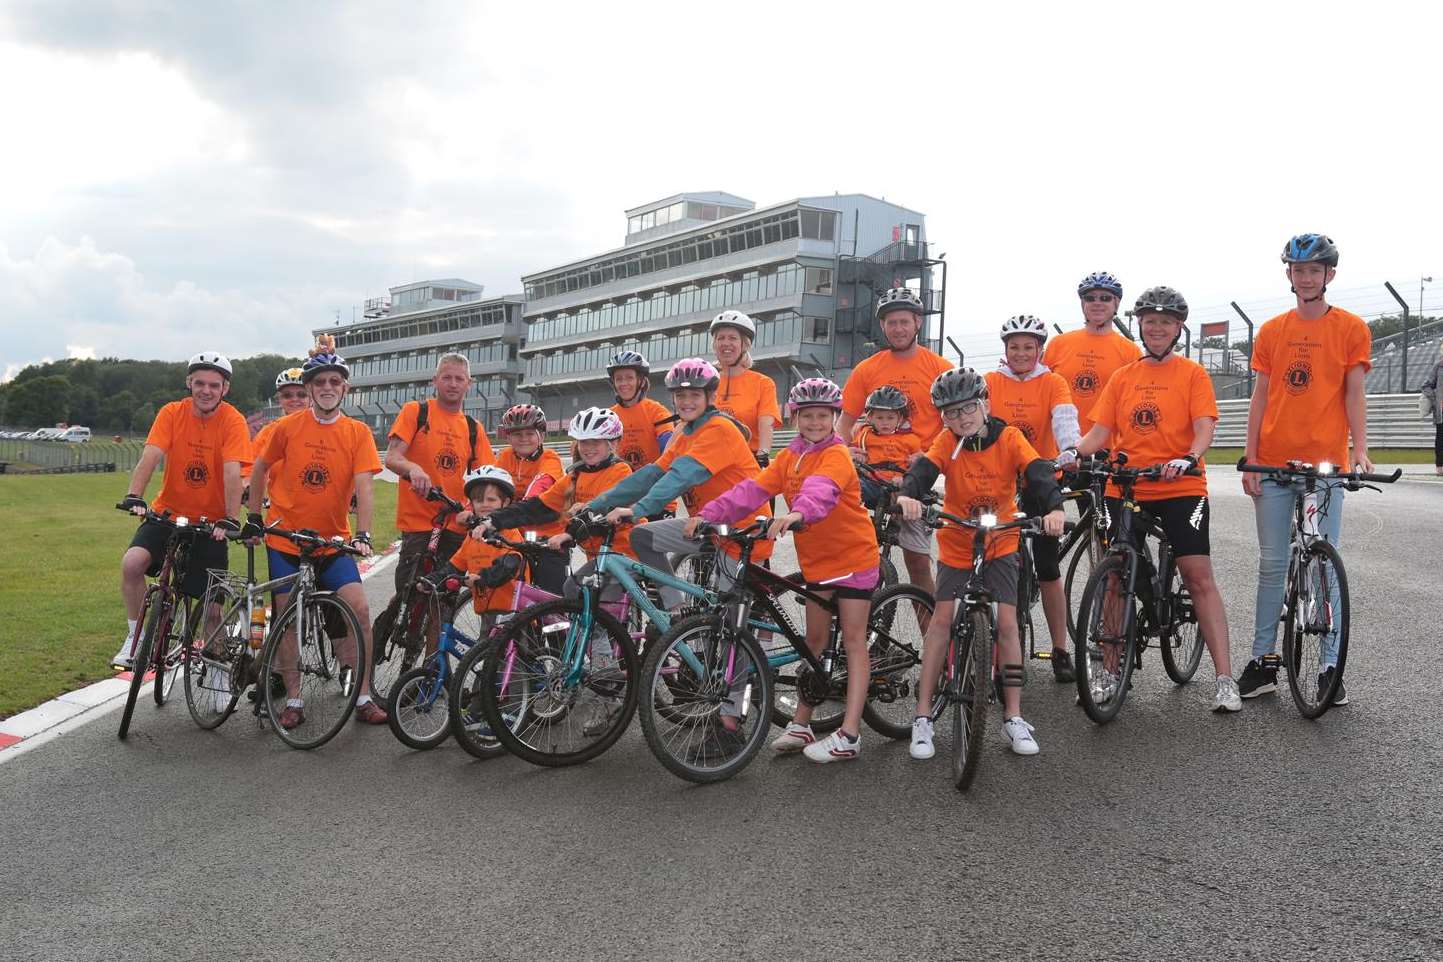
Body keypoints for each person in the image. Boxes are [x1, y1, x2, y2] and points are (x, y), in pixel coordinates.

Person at [1067, 286, 1241, 713]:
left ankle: (1224, 678)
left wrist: (1188, 457)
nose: (1157, 328)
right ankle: (1108, 670)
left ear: (1178, 328)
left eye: (1166, 321)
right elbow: (1099, 435)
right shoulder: (1123, 376)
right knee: (1113, 577)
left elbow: (1204, 427)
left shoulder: (1192, 375)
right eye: (1150, 321)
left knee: (1197, 575)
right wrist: (1072, 454)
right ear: (1140, 326)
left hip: (1180, 486)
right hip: (1126, 485)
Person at [692, 378, 877, 764]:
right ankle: (802, 723)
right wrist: (707, 515)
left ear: (834, 418)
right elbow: (752, 490)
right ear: (795, 418)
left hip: (852, 558)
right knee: (814, 641)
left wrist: (797, 513)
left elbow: (821, 491)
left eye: (823, 416)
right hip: (818, 562)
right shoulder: (789, 457)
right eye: (807, 416)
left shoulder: (836, 455)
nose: (815, 422)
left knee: (855, 642)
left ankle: (850, 734)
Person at [896, 369, 1065, 759]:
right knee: (940, 621)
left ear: (985, 403)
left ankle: (1014, 717)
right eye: (951, 413)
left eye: (968, 408)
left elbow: (1037, 471)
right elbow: (924, 471)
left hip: (1001, 540)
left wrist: (1054, 507)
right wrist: (909, 496)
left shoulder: (1008, 437)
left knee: (1007, 624)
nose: (961, 418)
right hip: (957, 540)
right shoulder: (947, 441)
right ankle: (922, 718)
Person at [1238, 234, 1373, 704]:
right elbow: (1260, 396)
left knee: (1323, 563)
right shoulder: (1272, 330)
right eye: (1299, 270)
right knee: (1273, 564)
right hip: (1273, 461)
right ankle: (1263, 661)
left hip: (1324, 466)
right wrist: (1250, 456)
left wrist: (1360, 450)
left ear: (1329, 275)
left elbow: (1354, 393)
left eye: (1316, 270)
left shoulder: (1352, 328)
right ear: (1290, 276)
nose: (1307, 277)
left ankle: (1329, 668)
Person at [248, 339, 387, 726]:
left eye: (334, 381)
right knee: (286, 616)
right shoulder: (287, 427)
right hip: (285, 540)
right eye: (320, 381)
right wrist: (255, 517)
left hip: (331, 542)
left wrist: (362, 533)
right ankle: (293, 700)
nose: (327, 387)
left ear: (345, 388)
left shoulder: (357, 432)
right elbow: (259, 469)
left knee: (358, 608)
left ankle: (363, 696)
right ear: (309, 389)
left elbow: (365, 485)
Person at [583, 358, 772, 610]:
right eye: (680, 395)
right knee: (642, 537)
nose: (686, 401)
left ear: (711, 396)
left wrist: (636, 510)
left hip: (741, 530)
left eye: (695, 394)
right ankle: (676, 611)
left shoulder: (719, 429)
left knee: (727, 627)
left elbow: (680, 476)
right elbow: (651, 474)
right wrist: (596, 505)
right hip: (707, 526)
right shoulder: (685, 432)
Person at [114, 351, 250, 668]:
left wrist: (230, 518)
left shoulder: (233, 420)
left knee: (212, 607)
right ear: (189, 383)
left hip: (211, 523)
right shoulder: (172, 413)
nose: (206, 390)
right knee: (132, 565)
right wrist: (135, 494)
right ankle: (134, 639)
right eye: (199, 383)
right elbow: (151, 455)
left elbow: (233, 471)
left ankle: (216, 668)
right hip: (168, 512)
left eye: (214, 385)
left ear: (225, 388)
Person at [837, 288, 954, 598]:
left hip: (920, 475)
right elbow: (845, 422)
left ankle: (931, 638)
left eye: (904, 321)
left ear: (917, 322)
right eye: (891, 322)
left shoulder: (939, 367)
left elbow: (953, 424)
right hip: (874, 475)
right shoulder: (868, 369)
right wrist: (846, 449)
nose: (898, 329)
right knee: (858, 558)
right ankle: (858, 636)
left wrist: (931, 457)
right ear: (883, 326)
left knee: (917, 564)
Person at [984, 315, 1081, 682]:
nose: (1021, 354)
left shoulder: (1053, 381)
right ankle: (993, 647)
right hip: (1000, 482)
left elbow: (1065, 420)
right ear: (1005, 350)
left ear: (1039, 349)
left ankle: (1060, 650)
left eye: (1028, 347)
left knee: (1047, 569)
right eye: (1014, 347)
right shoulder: (991, 382)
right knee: (992, 564)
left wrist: (1069, 450)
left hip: (1040, 480)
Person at [482, 407, 638, 602]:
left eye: (595, 442)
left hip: (624, 553)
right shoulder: (576, 475)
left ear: (612, 443)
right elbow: (538, 506)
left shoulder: (621, 471)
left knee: (603, 605)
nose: (588, 448)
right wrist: (492, 520)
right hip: (598, 557)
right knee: (572, 590)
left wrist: (568, 533)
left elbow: (602, 510)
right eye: (583, 442)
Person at [383, 352, 495, 609]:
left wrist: (473, 509)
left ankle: (435, 651)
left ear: (469, 383)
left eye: (459, 379)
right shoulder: (416, 412)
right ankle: (400, 638)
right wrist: (412, 469)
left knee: (444, 605)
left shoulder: (472, 427)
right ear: (435, 380)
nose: (453, 384)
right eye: (447, 377)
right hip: (418, 522)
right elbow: (392, 458)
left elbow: (486, 479)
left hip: (455, 523)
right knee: (407, 597)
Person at [422, 466, 526, 619]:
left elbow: (509, 565)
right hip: (487, 610)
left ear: (506, 502)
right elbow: (453, 567)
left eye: (491, 500)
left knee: (510, 642)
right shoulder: (472, 537)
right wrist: (430, 581)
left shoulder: (509, 532)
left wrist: (482, 578)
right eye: (478, 500)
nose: (484, 504)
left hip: (513, 613)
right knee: (484, 642)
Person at [1044, 272, 1141, 435]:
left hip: (1107, 449)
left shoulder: (1131, 351)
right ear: (1082, 303)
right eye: (1090, 298)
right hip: (1059, 447)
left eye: (1105, 298)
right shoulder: (1058, 344)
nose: (1097, 303)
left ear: (1116, 303)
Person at [493, 403, 567, 593]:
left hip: (549, 537)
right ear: (508, 437)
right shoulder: (504, 456)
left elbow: (541, 483)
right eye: (517, 434)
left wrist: (522, 505)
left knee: (549, 595)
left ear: (541, 435)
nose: (524, 439)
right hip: (516, 535)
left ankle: (556, 620)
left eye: (529, 434)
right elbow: (490, 485)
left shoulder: (550, 458)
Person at [710, 311, 781, 464]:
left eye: (733, 338)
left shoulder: (763, 383)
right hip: (708, 459)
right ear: (714, 344)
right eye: (720, 338)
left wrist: (763, 455)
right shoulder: (706, 380)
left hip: (747, 459)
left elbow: (766, 424)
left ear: (744, 344)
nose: (725, 343)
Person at [241, 367, 310, 502]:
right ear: (279, 399)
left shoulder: (323, 428)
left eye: (302, 395)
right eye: (287, 395)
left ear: (311, 397)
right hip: (280, 514)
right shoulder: (268, 432)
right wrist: (248, 486)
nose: (294, 399)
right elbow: (252, 465)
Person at [852, 385, 922, 508]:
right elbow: (853, 450)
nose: (885, 422)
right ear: (870, 418)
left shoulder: (911, 439)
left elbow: (922, 460)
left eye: (890, 418)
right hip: (872, 482)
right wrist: (857, 456)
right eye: (879, 417)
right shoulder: (864, 435)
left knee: (913, 503)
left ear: (900, 419)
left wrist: (918, 458)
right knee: (851, 489)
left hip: (899, 483)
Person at [1422, 341, 1443, 475]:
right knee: (1441, 438)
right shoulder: (1439, 366)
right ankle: (1440, 466)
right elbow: (1426, 386)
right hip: (1442, 409)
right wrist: (1435, 400)